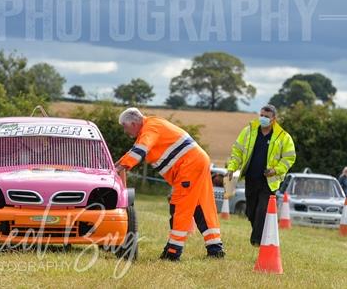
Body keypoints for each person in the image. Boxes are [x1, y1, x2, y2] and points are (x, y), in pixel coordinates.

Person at [114, 107, 225, 261]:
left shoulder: (149, 129)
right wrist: (117, 164)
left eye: (125, 127)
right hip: (197, 162)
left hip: (190, 166)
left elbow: (140, 150)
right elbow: (134, 150)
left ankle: (173, 252)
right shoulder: (152, 124)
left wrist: (119, 168)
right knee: (201, 207)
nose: (126, 132)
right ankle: (215, 249)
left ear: (133, 123)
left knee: (179, 207)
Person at [225, 104, 296, 246]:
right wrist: (232, 168)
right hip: (251, 178)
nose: (263, 118)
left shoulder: (283, 137)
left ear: (274, 119)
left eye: (266, 117)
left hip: (269, 181)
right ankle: (260, 234)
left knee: (262, 210)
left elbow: (289, 158)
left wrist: (276, 170)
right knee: (250, 211)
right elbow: (237, 151)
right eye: (261, 115)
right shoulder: (249, 131)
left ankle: (257, 241)